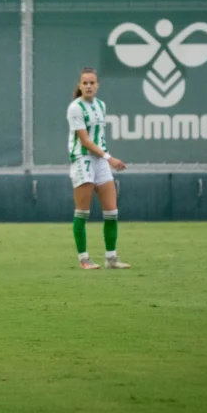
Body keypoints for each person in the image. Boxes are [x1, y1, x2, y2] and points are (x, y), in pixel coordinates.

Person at [67, 68, 130, 270]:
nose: (88, 86)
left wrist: (105, 158)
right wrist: (110, 158)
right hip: (83, 159)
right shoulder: (75, 108)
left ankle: (111, 259)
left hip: (101, 160)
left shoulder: (101, 105)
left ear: (98, 85)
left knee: (111, 211)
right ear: (79, 85)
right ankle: (84, 259)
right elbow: (84, 141)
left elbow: (98, 137)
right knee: (82, 212)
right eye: (84, 83)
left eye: (92, 82)